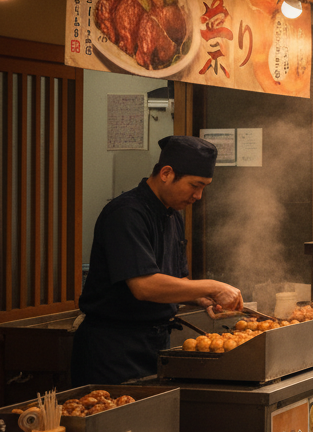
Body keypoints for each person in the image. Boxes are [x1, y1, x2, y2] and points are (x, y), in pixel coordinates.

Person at [72, 136, 243, 386]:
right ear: (166, 173)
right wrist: (212, 286)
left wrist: (197, 297)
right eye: (195, 185)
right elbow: (144, 286)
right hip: (113, 350)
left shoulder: (173, 214)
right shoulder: (126, 213)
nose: (199, 195)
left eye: (204, 187)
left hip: (155, 345)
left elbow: (174, 279)